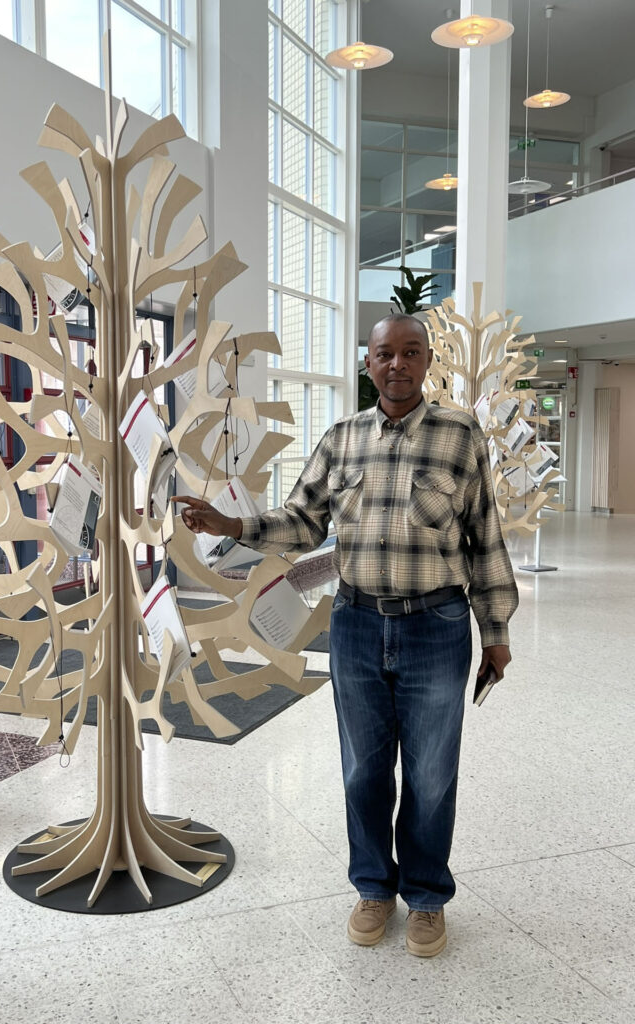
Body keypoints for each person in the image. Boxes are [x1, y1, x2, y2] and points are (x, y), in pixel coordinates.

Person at [173, 313, 518, 958]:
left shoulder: (459, 436)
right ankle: (373, 888)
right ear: (368, 364)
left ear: (426, 361)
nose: (397, 365)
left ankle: (425, 897)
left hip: (437, 627)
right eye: (385, 354)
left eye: (410, 352)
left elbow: (484, 538)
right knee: (363, 769)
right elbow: (302, 523)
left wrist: (495, 630)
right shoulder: (342, 439)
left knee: (432, 773)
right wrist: (232, 522)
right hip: (356, 624)